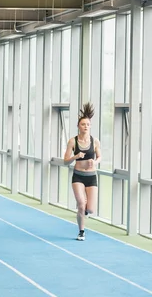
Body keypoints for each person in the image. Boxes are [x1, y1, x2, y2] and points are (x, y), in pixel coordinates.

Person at [63, 102, 101, 241]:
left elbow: (100, 156)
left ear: (90, 126)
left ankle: (84, 211)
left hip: (91, 177)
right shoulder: (72, 142)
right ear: (78, 126)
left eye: (88, 124)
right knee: (80, 204)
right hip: (78, 176)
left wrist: (95, 162)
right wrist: (75, 157)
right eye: (83, 124)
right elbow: (65, 161)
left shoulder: (95, 141)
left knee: (90, 209)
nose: (85, 126)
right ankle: (81, 231)